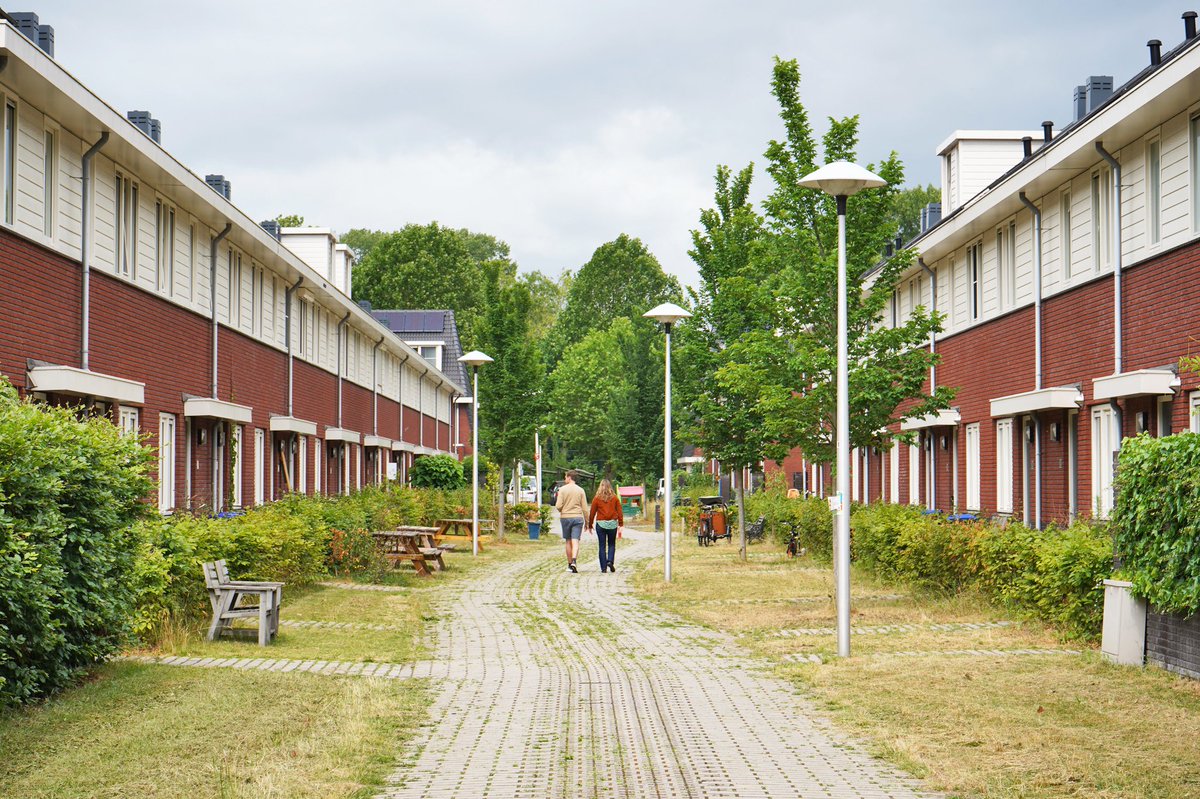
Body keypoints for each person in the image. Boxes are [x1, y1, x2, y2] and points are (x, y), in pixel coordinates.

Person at [587, 479, 624, 573]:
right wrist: (621, 524)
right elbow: (620, 511)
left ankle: (603, 568)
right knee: (611, 544)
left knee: (602, 546)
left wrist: (590, 524)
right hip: (612, 524)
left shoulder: (597, 498)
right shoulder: (615, 498)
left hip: (601, 524)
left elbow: (592, 512)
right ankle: (610, 561)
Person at [555, 470, 587, 572]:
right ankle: (574, 560)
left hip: (566, 517)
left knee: (568, 541)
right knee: (575, 540)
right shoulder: (581, 490)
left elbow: (558, 506)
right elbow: (585, 508)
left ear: (569, 477)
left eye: (565, 477)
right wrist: (587, 522)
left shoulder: (562, 490)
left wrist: (562, 510)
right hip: (578, 517)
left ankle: (569, 565)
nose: (565, 479)